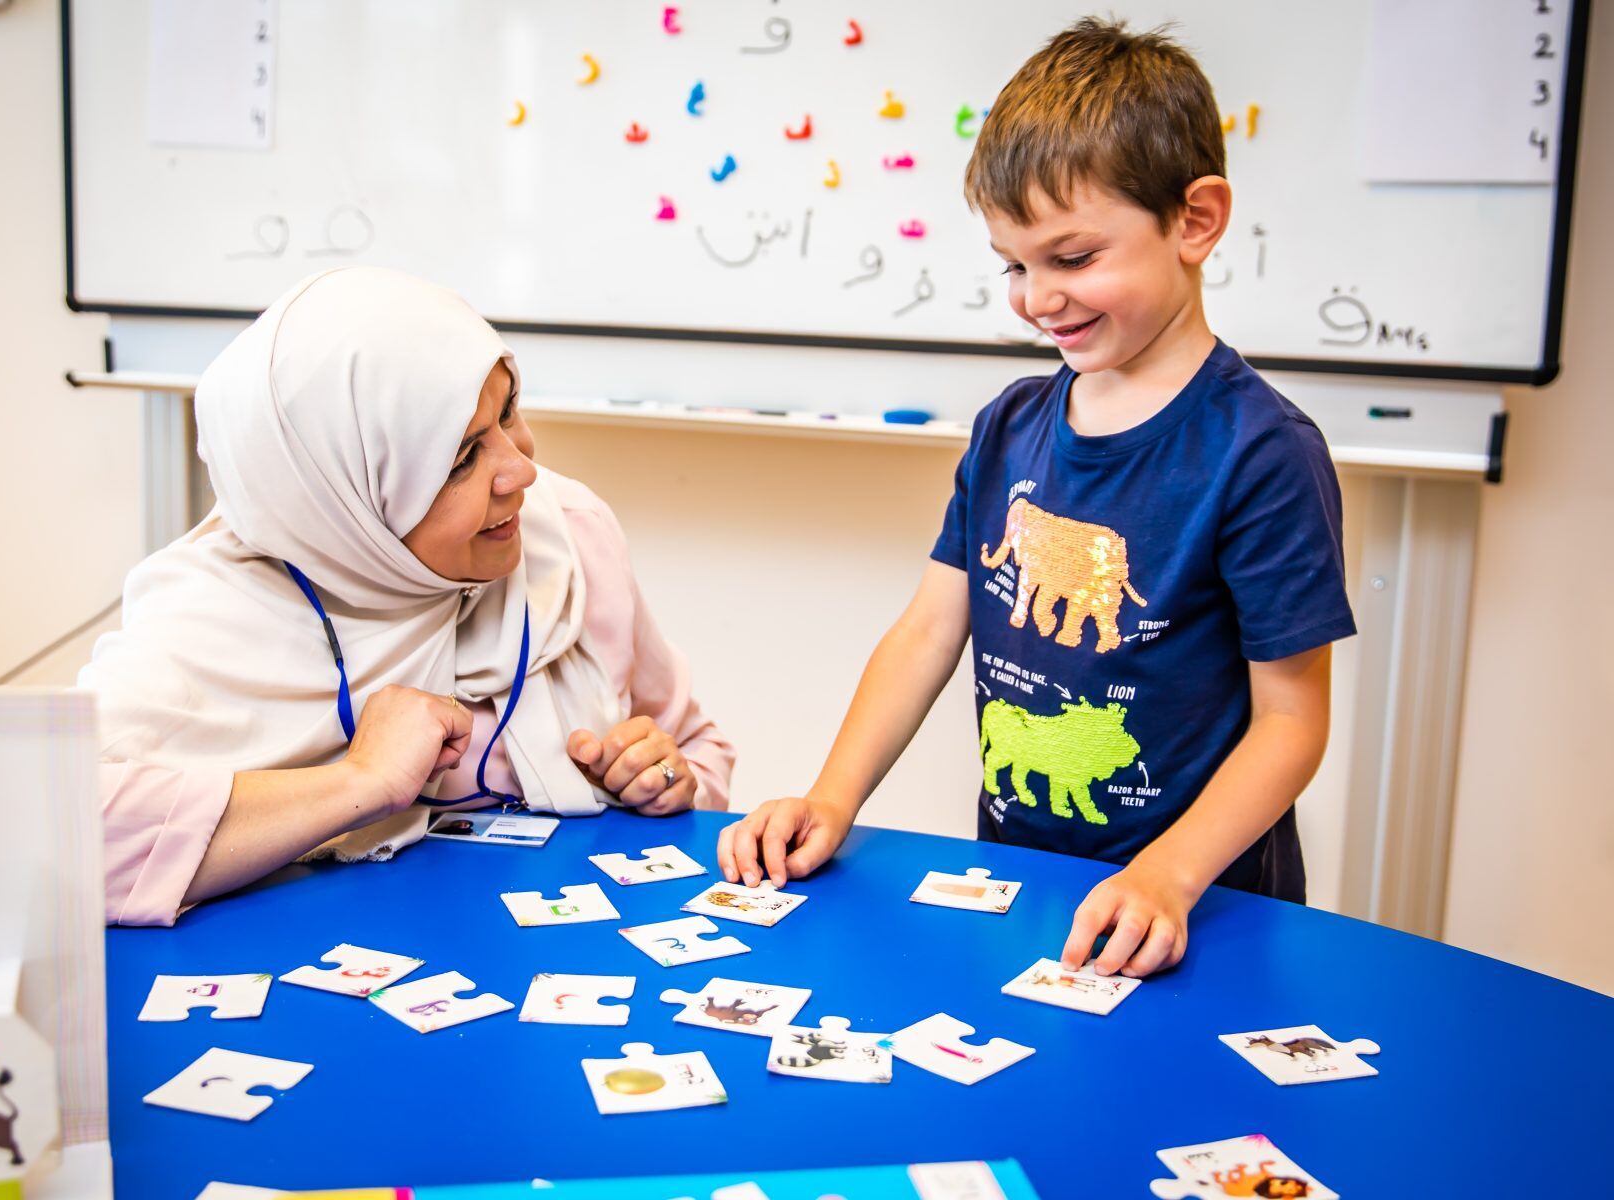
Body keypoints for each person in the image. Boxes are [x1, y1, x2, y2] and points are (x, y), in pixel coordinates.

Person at [719, 18, 1354, 979]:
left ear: (1195, 221)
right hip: (1025, 883)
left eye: (1073, 258)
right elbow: (932, 630)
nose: (1036, 298)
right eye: (1014, 264)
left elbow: (1291, 723)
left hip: (1197, 903)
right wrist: (833, 795)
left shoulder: (1262, 453)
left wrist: (1169, 877)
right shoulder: (1011, 424)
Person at [85, 267, 733, 925]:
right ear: (344, 503)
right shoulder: (209, 619)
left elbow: (699, 751)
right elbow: (60, 842)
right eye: (459, 459)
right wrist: (358, 782)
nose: (522, 470)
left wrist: (667, 783)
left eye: (508, 410)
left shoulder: (566, 535)